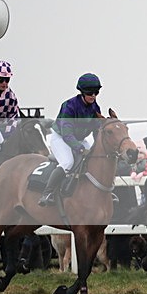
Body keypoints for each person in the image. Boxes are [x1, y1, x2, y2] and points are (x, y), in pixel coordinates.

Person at [39, 73, 103, 206]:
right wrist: (80, 148)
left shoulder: (95, 107)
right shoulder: (69, 106)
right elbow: (67, 134)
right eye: (90, 92)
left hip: (80, 138)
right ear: (82, 92)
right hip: (60, 137)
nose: (93, 96)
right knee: (68, 162)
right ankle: (47, 193)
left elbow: (97, 130)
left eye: (96, 92)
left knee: (94, 159)